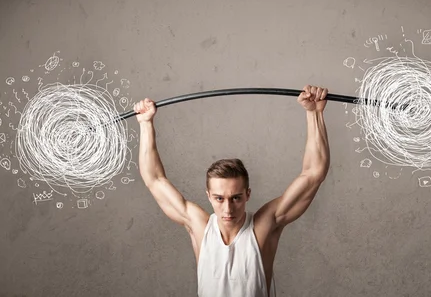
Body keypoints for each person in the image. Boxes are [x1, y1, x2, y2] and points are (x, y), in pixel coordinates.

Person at [134, 85, 330, 297]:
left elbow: (313, 173)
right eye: (219, 198)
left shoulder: (263, 226)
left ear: (248, 194)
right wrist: (145, 124)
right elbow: (154, 179)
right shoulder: (200, 227)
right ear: (208, 195)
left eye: (236, 198)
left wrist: (314, 113)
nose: (227, 208)